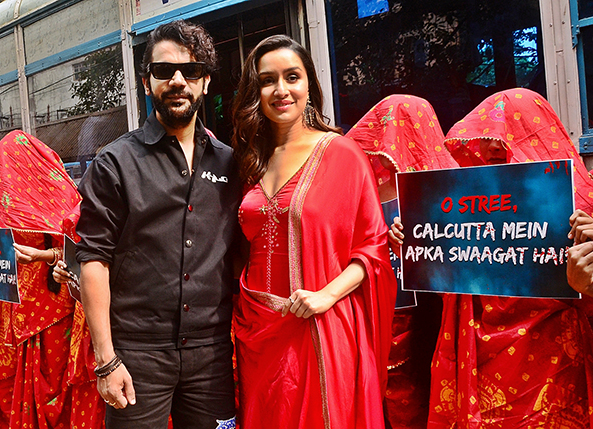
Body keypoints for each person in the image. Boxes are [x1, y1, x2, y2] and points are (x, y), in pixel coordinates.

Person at [74, 20, 241, 428]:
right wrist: (106, 359)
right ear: (147, 82)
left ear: (205, 82)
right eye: (164, 71)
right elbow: (93, 259)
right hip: (136, 355)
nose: (178, 81)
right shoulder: (116, 163)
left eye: (191, 70)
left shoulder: (230, 163)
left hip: (211, 355)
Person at [230, 35, 396, 429]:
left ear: (309, 85)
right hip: (257, 330)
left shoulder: (341, 154)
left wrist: (326, 295)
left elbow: (373, 247)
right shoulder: (250, 161)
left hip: (318, 323)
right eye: (268, 80)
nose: (281, 90)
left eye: (292, 77)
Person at [422, 88, 593, 428]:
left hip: (556, 370)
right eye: (484, 137)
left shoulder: (583, 209)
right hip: (484, 372)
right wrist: (417, 242)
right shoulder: (463, 213)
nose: (493, 146)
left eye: (506, 135)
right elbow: (447, 287)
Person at [0, 129, 101, 429]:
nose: (4, 178)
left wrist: (43, 256)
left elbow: (78, 252)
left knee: (55, 385)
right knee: (23, 391)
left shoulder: (58, 195)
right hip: (16, 311)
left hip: (55, 308)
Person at [346, 94, 456, 428]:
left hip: (430, 318)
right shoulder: (360, 187)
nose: (390, 142)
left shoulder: (451, 189)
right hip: (372, 313)